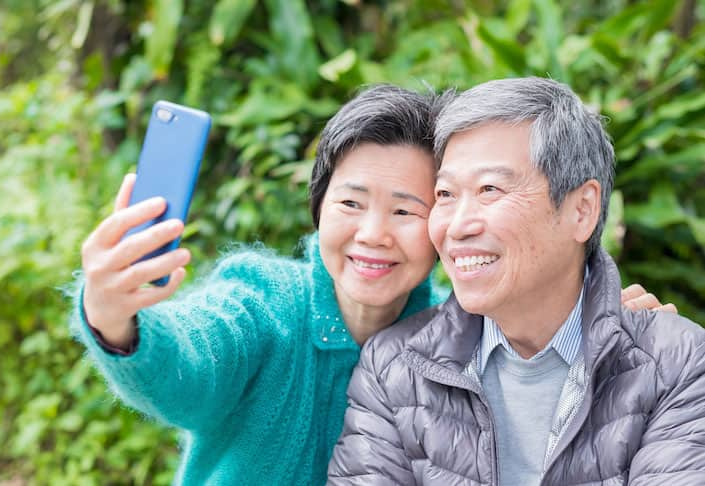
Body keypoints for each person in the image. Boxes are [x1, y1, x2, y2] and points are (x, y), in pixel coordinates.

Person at [71, 85, 669, 485]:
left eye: (406, 211)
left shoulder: (464, 337)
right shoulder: (260, 303)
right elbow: (187, 366)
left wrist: (598, 338)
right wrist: (116, 319)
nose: (374, 234)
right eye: (351, 202)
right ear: (320, 206)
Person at [328, 77, 704, 485]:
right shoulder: (395, 368)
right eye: (446, 194)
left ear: (581, 210)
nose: (457, 225)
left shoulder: (677, 363)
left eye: (490, 189)